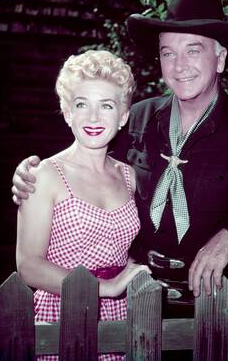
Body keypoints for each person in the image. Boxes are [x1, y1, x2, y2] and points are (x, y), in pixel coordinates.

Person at [12, 0, 228, 310]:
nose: (179, 65)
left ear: (221, 58)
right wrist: (29, 174)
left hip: (206, 301)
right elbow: (82, 166)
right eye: (168, 53)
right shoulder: (136, 118)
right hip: (130, 298)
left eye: (193, 50)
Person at [15, 50, 150, 360]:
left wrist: (124, 277)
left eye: (106, 105)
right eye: (81, 105)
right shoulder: (45, 174)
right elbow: (29, 266)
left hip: (119, 316)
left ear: (124, 116)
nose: (93, 118)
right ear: (67, 113)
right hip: (62, 312)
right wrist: (106, 287)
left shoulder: (128, 176)